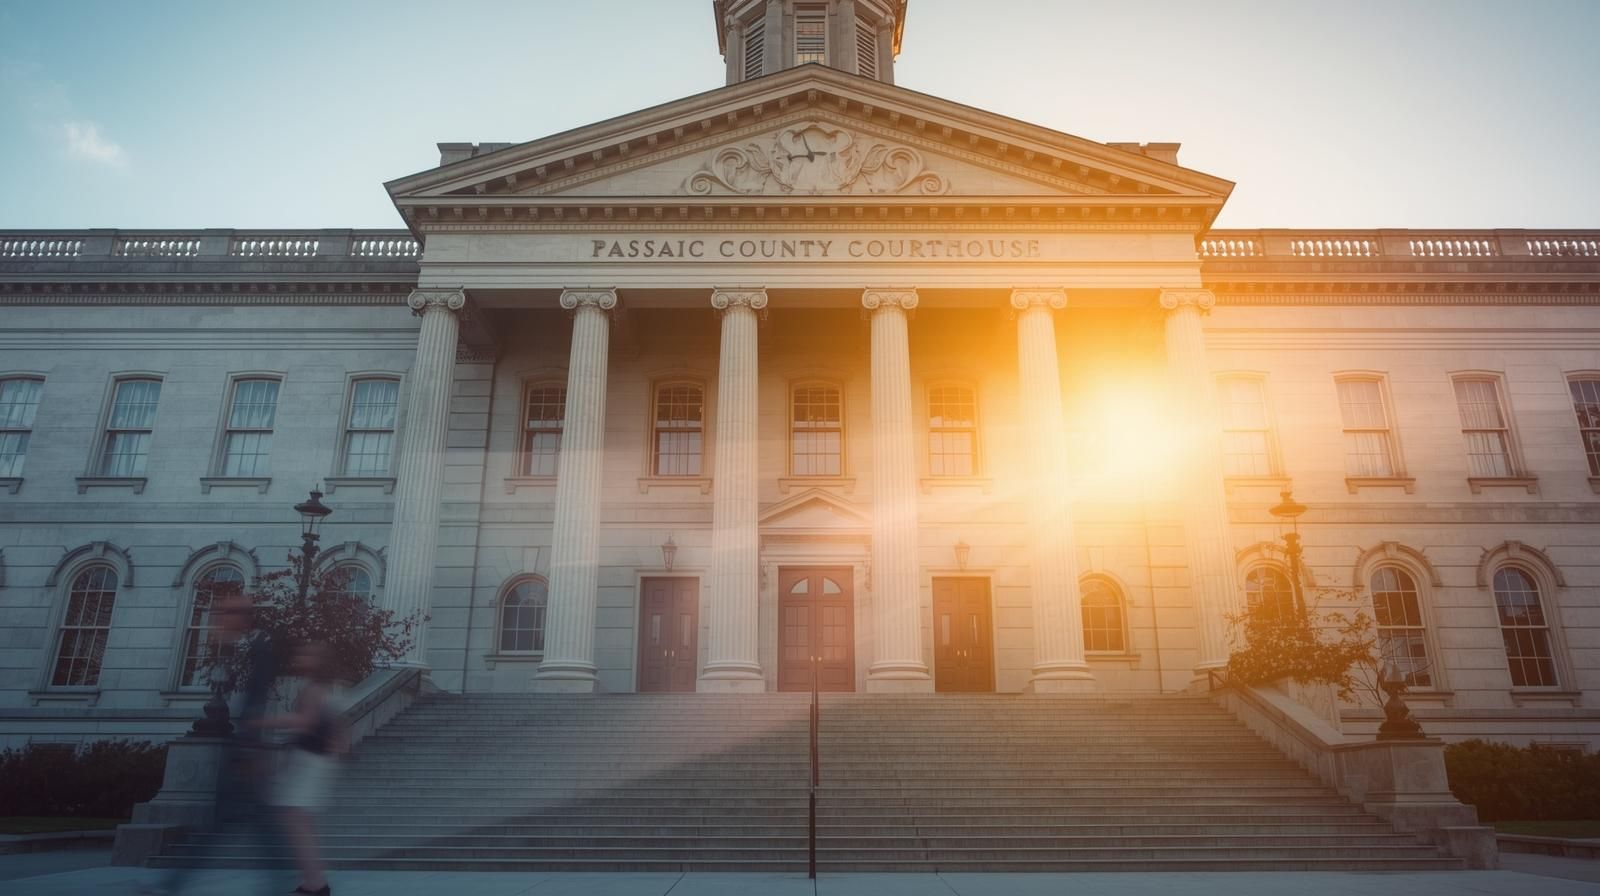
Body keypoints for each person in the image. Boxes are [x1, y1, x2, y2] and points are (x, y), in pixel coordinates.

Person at [143, 588, 286, 896]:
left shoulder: (260, 648)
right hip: (244, 753)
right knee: (242, 832)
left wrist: (250, 750)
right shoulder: (246, 646)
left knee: (237, 832)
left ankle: (171, 886)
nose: (217, 619)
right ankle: (172, 885)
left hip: (246, 755)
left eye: (225, 613)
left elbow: (257, 702)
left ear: (241, 617)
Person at [256, 640, 347, 896]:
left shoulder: (313, 689)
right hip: (319, 761)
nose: (300, 656)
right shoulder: (329, 688)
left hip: (308, 761)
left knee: (295, 819)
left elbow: (305, 722)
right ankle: (314, 882)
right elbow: (340, 734)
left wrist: (263, 721)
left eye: (307, 653)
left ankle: (315, 884)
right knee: (301, 822)